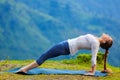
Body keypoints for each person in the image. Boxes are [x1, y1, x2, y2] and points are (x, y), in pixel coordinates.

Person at [16, 33, 113, 75]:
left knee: (44, 56)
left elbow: (93, 58)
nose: (107, 35)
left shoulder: (96, 43)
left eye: (108, 37)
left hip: (66, 46)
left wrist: (92, 72)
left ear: (105, 41)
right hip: (66, 44)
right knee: (45, 55)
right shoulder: (96, 40)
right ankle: (24, 69)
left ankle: (24, 69)